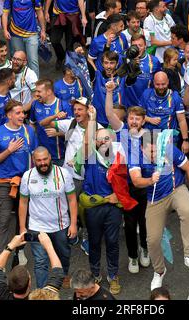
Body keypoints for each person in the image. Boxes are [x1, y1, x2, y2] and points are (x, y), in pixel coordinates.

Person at [129, 130, 189, 291]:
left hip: (176, 189)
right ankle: (159, 271)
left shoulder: (169, 149)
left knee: (187, 211)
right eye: (152, 151)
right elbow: (135, 181)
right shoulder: (135, 157)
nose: (156, 154)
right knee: (152, 240)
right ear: (142, 149)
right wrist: (149, 180)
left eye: (158, 150)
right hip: (154, 199)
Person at [42, 97, 104, 256]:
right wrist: (56, 118)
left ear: (88, 111)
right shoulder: (70, 123)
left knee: (88, 209)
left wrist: (93, 121)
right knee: (68, 206)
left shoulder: (98, 128)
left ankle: (87, 237)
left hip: (90, 177)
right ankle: (71, 232)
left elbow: (89, 145)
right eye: (75, 109)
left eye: (80, 109)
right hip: (70, 176)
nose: (76, 112)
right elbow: (43, 123)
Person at [79, 105, 129, 295]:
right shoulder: (90, 156)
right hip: (94, 207)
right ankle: (94, 274)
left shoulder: (119, 157)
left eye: (106, 138)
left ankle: (113, 275)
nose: (103, 142)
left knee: (113, 241)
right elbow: (86, 143)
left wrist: (119, 195)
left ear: (112, 139)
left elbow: (126, 181)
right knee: (94, 241)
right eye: (99, 140)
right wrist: (92, 118)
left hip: (113, 206)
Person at [105, 80, 150, 274]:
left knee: (145, 221)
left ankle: (145, 249)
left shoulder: (150, 136)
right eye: (131, 118)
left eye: (137, 119)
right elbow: (108, 113)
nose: (133, 121)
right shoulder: (122, 130)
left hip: (146, 186)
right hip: (126, 187)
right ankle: (133, 256)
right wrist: (109, 91)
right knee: (130, 225)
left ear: (143, 121)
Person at [18, 147, 78, 289]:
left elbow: (72, 199)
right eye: (39, 160)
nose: (43, 163)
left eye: (45, 159)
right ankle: (43, 291)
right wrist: (22, 228)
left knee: (64, 255)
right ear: (34, 161)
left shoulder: (63, 174)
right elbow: (23, 202)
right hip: (36, 227)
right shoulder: (27, 176)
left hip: (61, 226)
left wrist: (74, 224)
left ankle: (62, 276)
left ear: (50, 157)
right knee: (40, 262)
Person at [0, 99, 38, 262]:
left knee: (23, 219)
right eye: (18, 113)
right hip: (4, 182)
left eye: (23, 112)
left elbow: (35, 155)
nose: (22, 115)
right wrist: (9, 150)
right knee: (3, 221)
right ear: (9, 115)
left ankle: (20, 250)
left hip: (25, 183)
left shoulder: (29, 131)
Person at [0, 232, 64, 300]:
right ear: (29, 283)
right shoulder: (41, 297)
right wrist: (49, 246)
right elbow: (58, 274)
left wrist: (10, 246)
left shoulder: (1, 295)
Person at [140, 71, 189, 153]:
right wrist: (149, 119)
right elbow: (138, 115)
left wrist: (185, 140)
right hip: (149, 137)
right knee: (148, 164)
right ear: (153, 83)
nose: (160, 87)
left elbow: (181, 120)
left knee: (168, 165)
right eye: (157, 84)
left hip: (169, 138)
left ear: (168, 82)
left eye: (163, 84)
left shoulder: (175, 97)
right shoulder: (146, 94)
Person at [29, 79, 72, 166]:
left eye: (39, 91)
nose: (36, 94)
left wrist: (59, 133)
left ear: (48, 92)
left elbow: (73, 131)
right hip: (41, 156)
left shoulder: (63, 105)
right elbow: (32, 124)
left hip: (59, 155)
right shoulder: (35, 104)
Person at [1, 0, 46, 77]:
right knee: (18, 60)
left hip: (31, 33)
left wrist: (43, 30)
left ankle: (34, 85)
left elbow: (40, 13)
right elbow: (5, 14)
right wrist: (5, 30)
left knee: (33, 61)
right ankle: (20, 83)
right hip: (15, 35)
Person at [44, 0, 87, 71]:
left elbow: (80, 0)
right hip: (58, 13)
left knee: (69, 44)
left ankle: (68, 64)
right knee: (54, 40)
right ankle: (61, 57)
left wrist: (83, 16)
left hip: (73, 14)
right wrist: (46, 11)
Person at [123, 33, 161, 108]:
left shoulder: (154, 61)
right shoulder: (124, 59)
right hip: (128, 104)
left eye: (140, 45)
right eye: (134, 46)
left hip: (146, 104)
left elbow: (158, 82)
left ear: (145, 46)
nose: (137, 49)